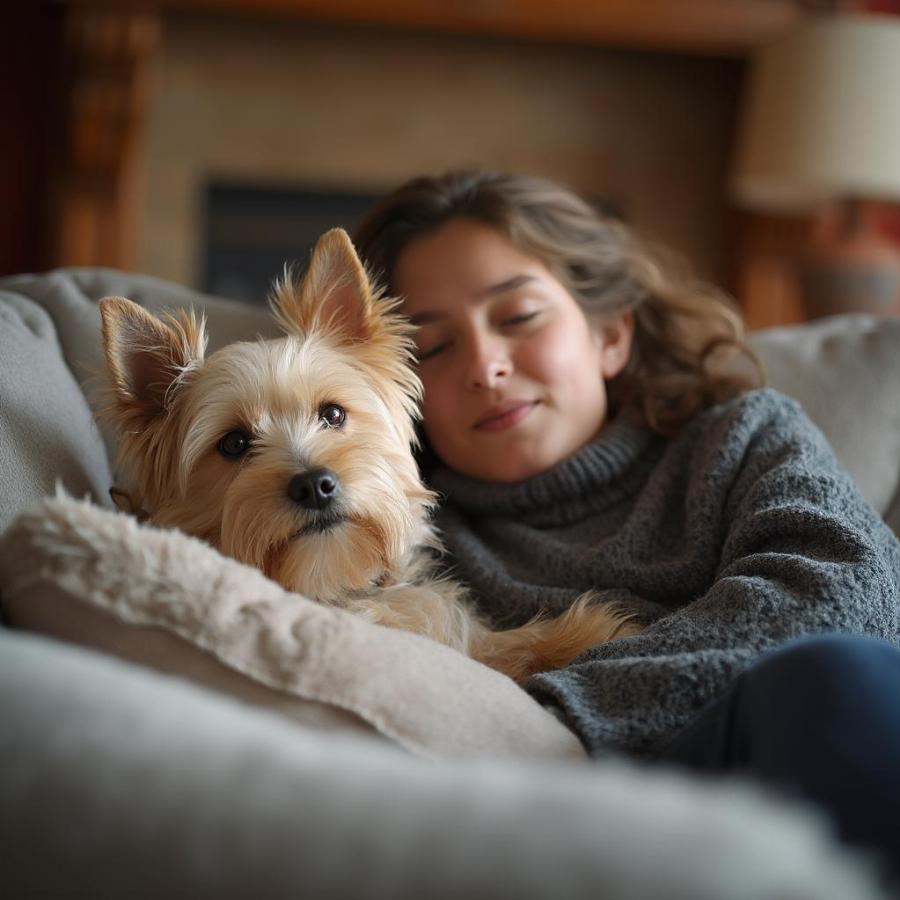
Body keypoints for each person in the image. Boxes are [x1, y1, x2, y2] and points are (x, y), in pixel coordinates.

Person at [353, 169, 900, 879]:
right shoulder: (401, 535)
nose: (486, 366)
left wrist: (553, 711)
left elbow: (846, 601)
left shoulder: (741, 438)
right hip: (564, 835)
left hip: (769, 762)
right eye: (433, 348)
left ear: (611, 334)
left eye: (518, 317)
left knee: (836, 672)